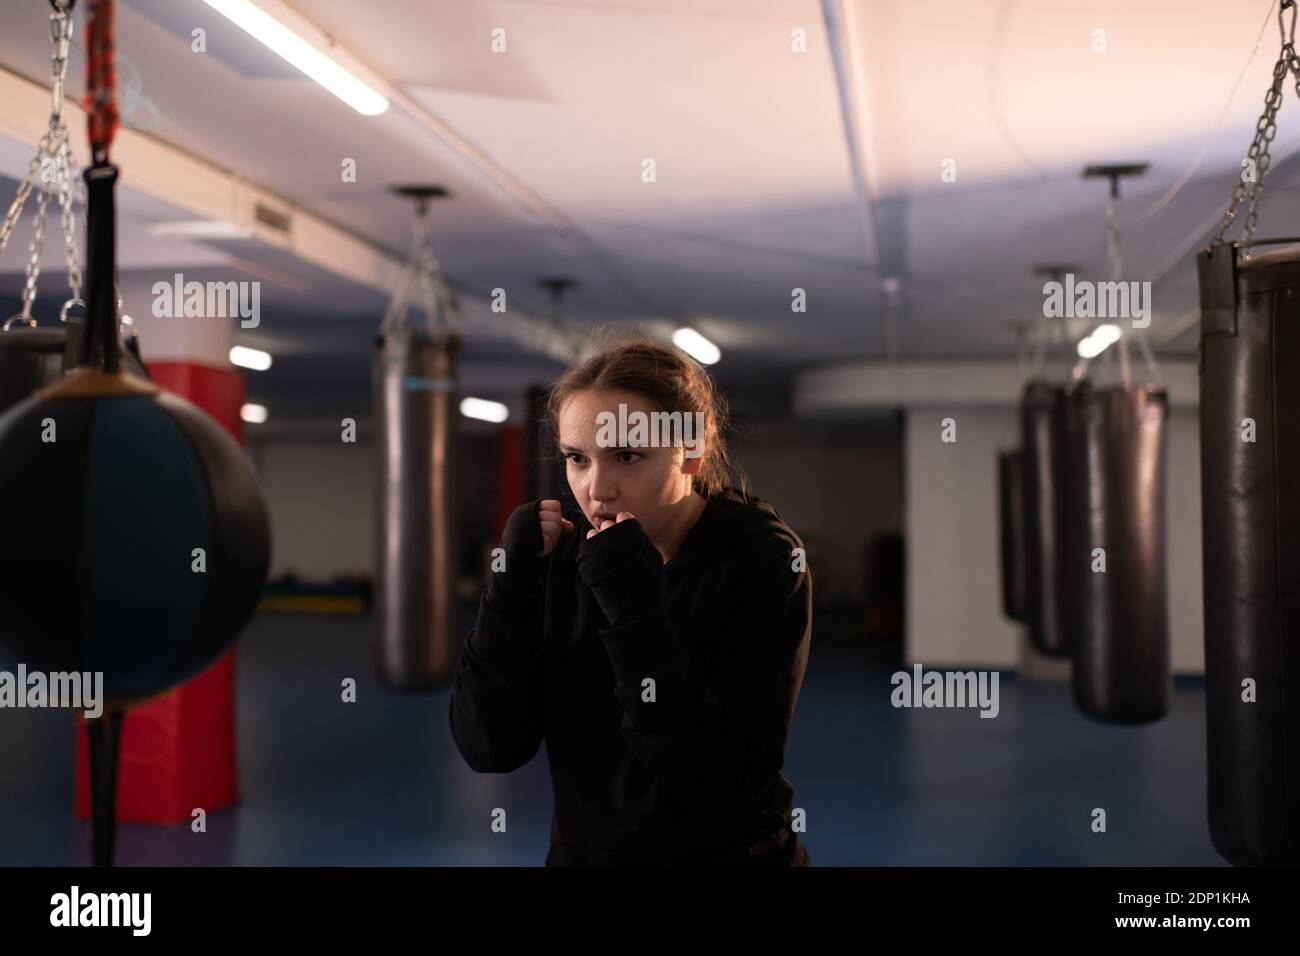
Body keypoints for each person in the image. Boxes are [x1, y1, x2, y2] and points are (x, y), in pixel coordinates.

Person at [449, 333, 813, 866]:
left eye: (626, 455)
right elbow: (488, 747)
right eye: (577, 459)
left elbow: (721, 784)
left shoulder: (762, 561)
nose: (597, 490)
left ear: (690, 451)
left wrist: (633, 611)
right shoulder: (565, 558)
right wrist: (506, 593)